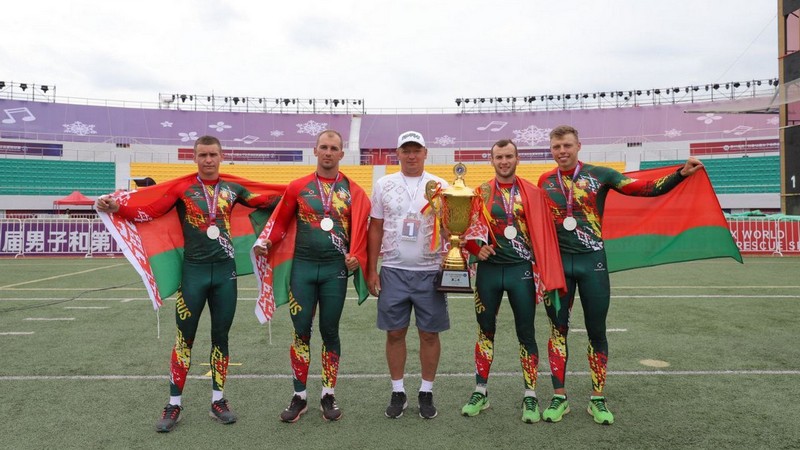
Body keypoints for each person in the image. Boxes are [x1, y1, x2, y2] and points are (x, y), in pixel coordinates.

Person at [95, 135, 281, 432]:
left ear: (222, 157)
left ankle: (218, 401)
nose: (208, 160)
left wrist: (299, 195)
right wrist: (117, 208)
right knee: (184, 339)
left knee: (221, 337)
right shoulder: (183, 188)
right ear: (195, 158)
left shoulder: (233, 189)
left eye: (213, 155)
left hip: (225, 274)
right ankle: (174, 403)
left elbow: (267, 201)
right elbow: (151, 211)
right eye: (203, 155)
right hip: (192, 274)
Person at [537, 125, 704, 425]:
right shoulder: (545, 181)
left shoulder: (602, 175)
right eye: (556, 147)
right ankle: (559, 397)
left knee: (596, 330)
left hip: (593, 264)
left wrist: (681, 173)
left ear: (578, 146)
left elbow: (644, 189)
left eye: (567, 146)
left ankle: (597, 399)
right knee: (557, 330)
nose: (562, 151)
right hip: (559, 266)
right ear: (551, 150)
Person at [253, 129, 370, 423]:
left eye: (334, 148)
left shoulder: (353, 190)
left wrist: (357, 256)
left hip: (335, 271)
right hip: (302, 269)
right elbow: (280, 224)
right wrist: (268, 241)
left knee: (330, 332)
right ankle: (299, 396)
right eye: (324, 147)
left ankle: (328, 394)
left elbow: (362, 232)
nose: (328, 152)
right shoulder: (297, 187)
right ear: (314, 150)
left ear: (342, 154)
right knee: (301, 331)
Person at [460, 139, 566, 423]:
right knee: (485, 331)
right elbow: (464, 231)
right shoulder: (479, 192)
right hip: (489, 271)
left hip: (522, 271)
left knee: (526, 332)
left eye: (508, 156)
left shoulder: (532, 192)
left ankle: (530, 395)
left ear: (517, 158)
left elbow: (544, 234)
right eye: (499, 157)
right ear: (491, 160)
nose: (504, 161)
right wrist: (474, 249)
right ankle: (481, 391)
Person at [367, 130, 449, 419]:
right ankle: (398, 390)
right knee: (394, 332)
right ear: (397, 153)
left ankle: (426, 390)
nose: (411, 155)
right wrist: (371, 268)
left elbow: (452, 227)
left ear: (425, 153)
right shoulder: (383, 184)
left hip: (430, 271)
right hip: (393, 270)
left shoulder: (440, 185)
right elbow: (375, 226)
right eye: (406, 150)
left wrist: (456, 262)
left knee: (429, 334)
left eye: (416, 150)